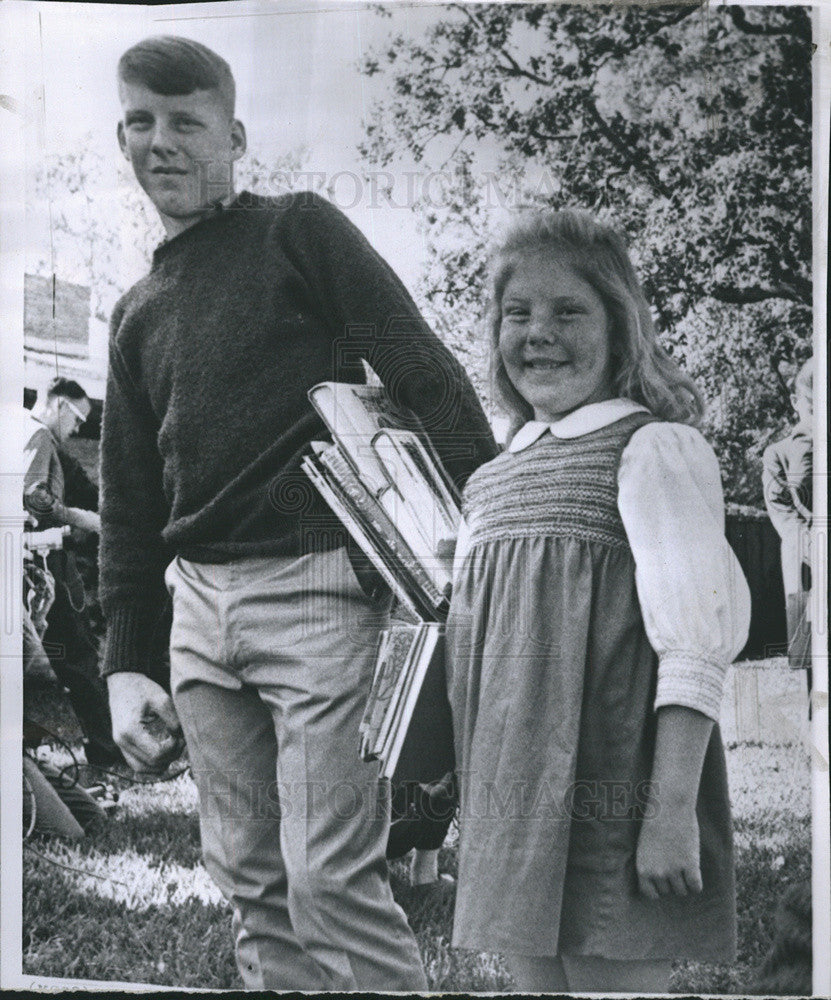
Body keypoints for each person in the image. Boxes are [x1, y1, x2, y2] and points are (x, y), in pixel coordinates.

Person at [100, 36, 496, 991]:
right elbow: (128, 506)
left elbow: (421, 370)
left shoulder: (297, 232)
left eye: (187, 121)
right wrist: (123, 665)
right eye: (142, 122)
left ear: (233, 135)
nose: (164, 142)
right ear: (122, 136)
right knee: (249, 879)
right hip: (198, 612)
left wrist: (493, 527)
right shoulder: (134, 311)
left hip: (318, 594)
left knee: (327, 876)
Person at [446, 209, 752, 993]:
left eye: (568, 311)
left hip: (616, 793)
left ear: (619, 327)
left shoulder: (651, 449)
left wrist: (669, 812)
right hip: (512, 805)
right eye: (517, 314)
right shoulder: (489, 480)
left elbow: (692, 642)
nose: (538, 333)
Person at [23, 378, 123, 767]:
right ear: (60, 405)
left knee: (63, 656)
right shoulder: (40, 435)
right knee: (78, 656)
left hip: (29, 562)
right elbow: (35, 499)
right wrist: (82, 518)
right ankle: (106, 747)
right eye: (79, 417)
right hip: (42, 565)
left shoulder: (14, 426)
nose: (79, 428)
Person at [762, 358, 813, 672]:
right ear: (795, 402)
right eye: (813, 406)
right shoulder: (778, 453)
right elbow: (784, 512)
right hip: (806, 560)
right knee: (812, 657)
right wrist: (805, 443)